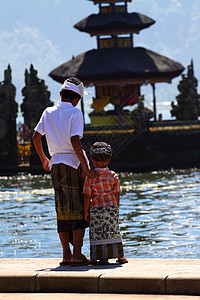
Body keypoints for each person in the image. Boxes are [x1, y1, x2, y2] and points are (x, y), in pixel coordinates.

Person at [32, 76, 95, 266]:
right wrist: (85, 166)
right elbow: (75, 141)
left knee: (62, 210)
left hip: (56, 165)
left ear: (60, 94)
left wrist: (44, 158)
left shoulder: (48, 112)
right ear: (77, 98)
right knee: (77, 209)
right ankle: (77, 254)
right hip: (73, 164)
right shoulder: (75, 113)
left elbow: (36, 136)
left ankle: (66, 255)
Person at [83, 141, 128, 265]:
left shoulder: (90, 177)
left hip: (96, 209)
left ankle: (101, 258)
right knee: (113, 231)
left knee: (97, 233)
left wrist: (85, 211)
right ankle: (120, 256)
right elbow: (116, 193)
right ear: (108, 160)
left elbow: (87, 195)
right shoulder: (113, 175)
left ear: (92, 159)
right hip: (111, 208)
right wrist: (116, 207)